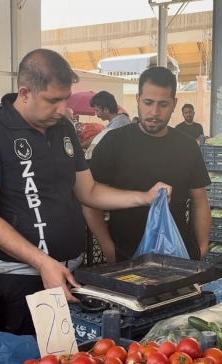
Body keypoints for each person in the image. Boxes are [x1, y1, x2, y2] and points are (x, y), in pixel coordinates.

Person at [0, 49, 171, 335]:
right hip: (16, 281)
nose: (62, 109)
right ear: (24, 93)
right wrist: (43, 263)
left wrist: (143, 197)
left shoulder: (63, 130)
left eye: (65, 100)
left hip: (69, 276)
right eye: (52, 100)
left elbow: (89, 191)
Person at [85, 67, 212, 263]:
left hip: (178, 255)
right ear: (137, 99)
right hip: (125, 255)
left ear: (174, 104)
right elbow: (91, 201)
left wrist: (201, 249)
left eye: (163, 104)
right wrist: (109, 249)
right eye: (148, 103)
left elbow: (200, 200)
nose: (154, 112)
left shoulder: (187, 147)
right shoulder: (114, 142)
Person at [82, 91, 131, 158]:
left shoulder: (119, 123)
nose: (95, 113)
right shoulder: (118, 122)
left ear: (106, 110)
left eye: (97, 110)